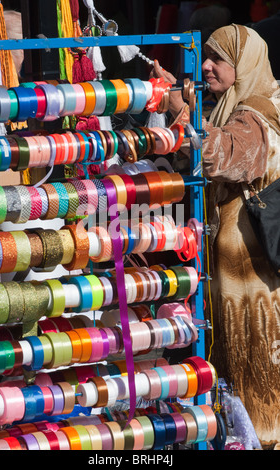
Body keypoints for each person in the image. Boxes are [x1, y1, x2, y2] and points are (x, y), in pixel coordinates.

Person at [151, 24, 280, 448]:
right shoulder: (231, 108)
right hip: (234, 281)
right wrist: (181, 103)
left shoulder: (260, 117)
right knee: (235, 375)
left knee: (259, 375)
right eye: (204, 56)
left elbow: (220, 154)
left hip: (257, 289)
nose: (206, 66)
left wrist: (182, 112)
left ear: (243, 66)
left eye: (218, 59)